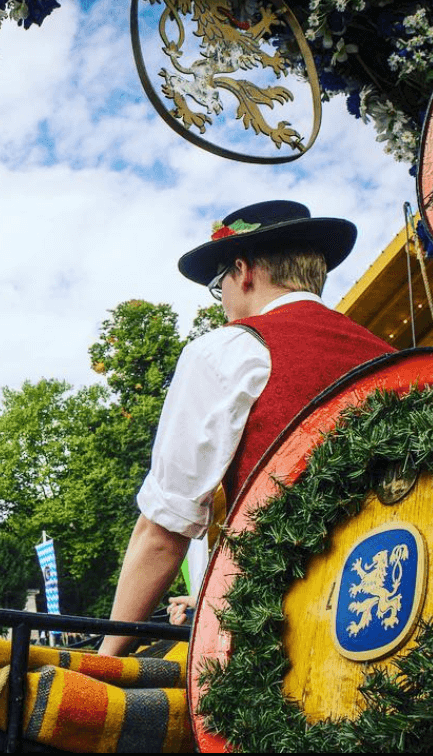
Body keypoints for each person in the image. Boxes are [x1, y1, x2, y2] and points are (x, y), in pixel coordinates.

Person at [98, 200, 396, 656]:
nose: (222, 305)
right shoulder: (391, 356)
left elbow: (163, 533)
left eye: (219, 287)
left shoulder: (228, 350)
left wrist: (105, 658)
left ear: (244, 271)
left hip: (280, 641)